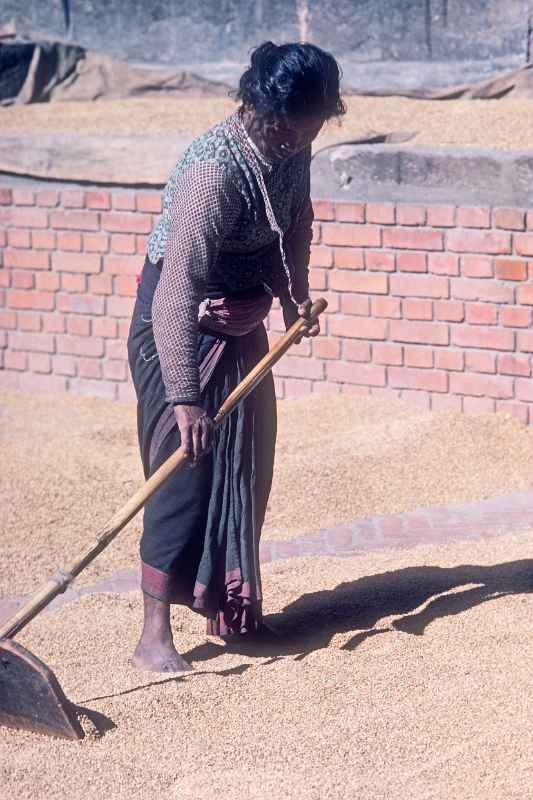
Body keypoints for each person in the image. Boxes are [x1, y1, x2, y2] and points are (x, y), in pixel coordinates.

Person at [127, 40, 346, 672]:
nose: (303, 139)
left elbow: (294, 224)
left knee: (247, 465)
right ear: (265, 110)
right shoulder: (213, 172)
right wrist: (186, 396)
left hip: (239, 324)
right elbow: (175, 291)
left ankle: (229, 610)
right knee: (184, 469)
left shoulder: (292, 145)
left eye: (315, 127)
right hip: (178, 333)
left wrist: (291, 297)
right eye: (297, 127)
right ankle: (153, 633)